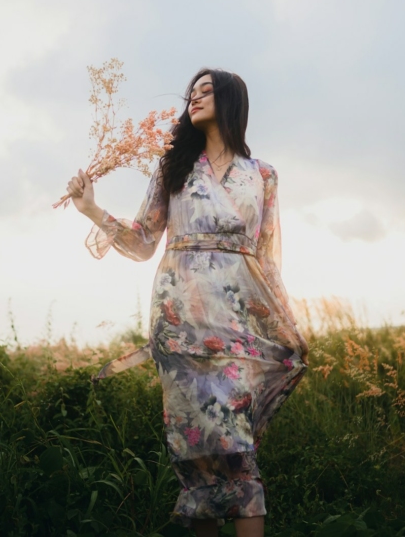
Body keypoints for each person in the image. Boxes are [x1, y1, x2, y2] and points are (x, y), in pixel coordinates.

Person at [65, 68, 308, 537]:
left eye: (206, 91)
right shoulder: (172, 168)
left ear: (232, 100)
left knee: (237, 451)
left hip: (237, 323)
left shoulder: (263, 176)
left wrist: (284, 322)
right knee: (195, 453)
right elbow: (141, 243)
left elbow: (267, 257)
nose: (194, 98)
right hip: (180, 324)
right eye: (190, 93)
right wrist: (91, 209)